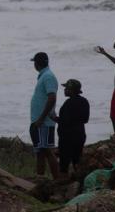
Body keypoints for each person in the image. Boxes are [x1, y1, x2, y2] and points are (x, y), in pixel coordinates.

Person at [29, 52, 60, 180]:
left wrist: (42, 118)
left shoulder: (48, 77)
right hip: (38, 121)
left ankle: (58, 180)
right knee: (40, 151)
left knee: (47, 151)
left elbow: (52, 97)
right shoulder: (43, 76)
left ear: (37, 63)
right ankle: (40, 178)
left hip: (44, 122)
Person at [51, 79, 90, 177]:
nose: (64, 90)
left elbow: (65, 121)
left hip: (67, 137)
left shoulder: (68, 103)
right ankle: (79, 181)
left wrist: (54, 118)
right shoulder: (84, 101)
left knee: (64, 163)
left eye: (66, 88)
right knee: (77, 160)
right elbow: (85, 119)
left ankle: (63, 183)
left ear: (71, 90)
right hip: (80, 135)